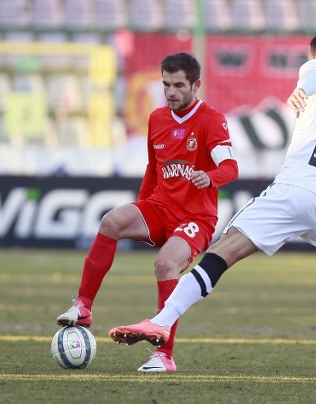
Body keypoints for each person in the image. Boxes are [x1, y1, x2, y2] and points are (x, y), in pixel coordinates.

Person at [109, 30, 316, 382]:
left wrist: (303, 89)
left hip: (296, 188)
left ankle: (161, 323)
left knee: (223, 251)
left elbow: (313, 75)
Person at [56, 52, 239, 372]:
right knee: (111, 221)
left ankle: (164, 357)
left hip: (196, 218)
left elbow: (231, 167)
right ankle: (84, 306)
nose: (171, 92)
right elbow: (153, 171)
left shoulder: (211, 119)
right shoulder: (157, 118)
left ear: (196, 85)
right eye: (166, 84)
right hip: (159, 207)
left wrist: (210, 176)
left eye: (179, 85)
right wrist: (141, 208)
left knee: (165, 264)